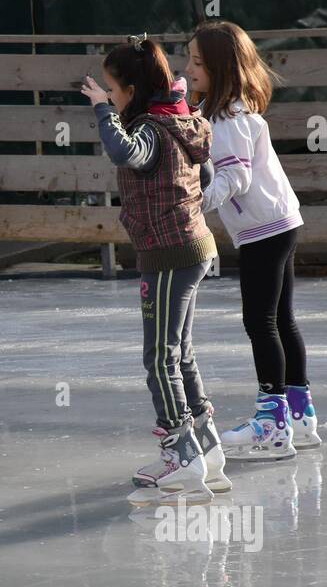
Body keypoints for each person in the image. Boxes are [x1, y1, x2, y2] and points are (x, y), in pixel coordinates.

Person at [81, 35, 229, 505]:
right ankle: (206, 448)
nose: (108, 95)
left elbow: (126, 153)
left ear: (130, 89)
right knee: (180, 353)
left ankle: (180, 456)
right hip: (193, 245)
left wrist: (103, 111)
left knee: (159, 357)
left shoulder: (150, 129)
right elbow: (203, 177)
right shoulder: (180, 120)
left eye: (111, 88)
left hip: (170, 252)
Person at [184, 21, 321, 461]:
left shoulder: (227, 118)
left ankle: (272, 422)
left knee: (259, 320)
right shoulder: (228, 112)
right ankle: (299, 415)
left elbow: (236, 176)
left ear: (221, 68)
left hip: (264, 229)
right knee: (282, 318)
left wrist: (197, 202)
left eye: (197, 62)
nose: (189, 68)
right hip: (281, 221)